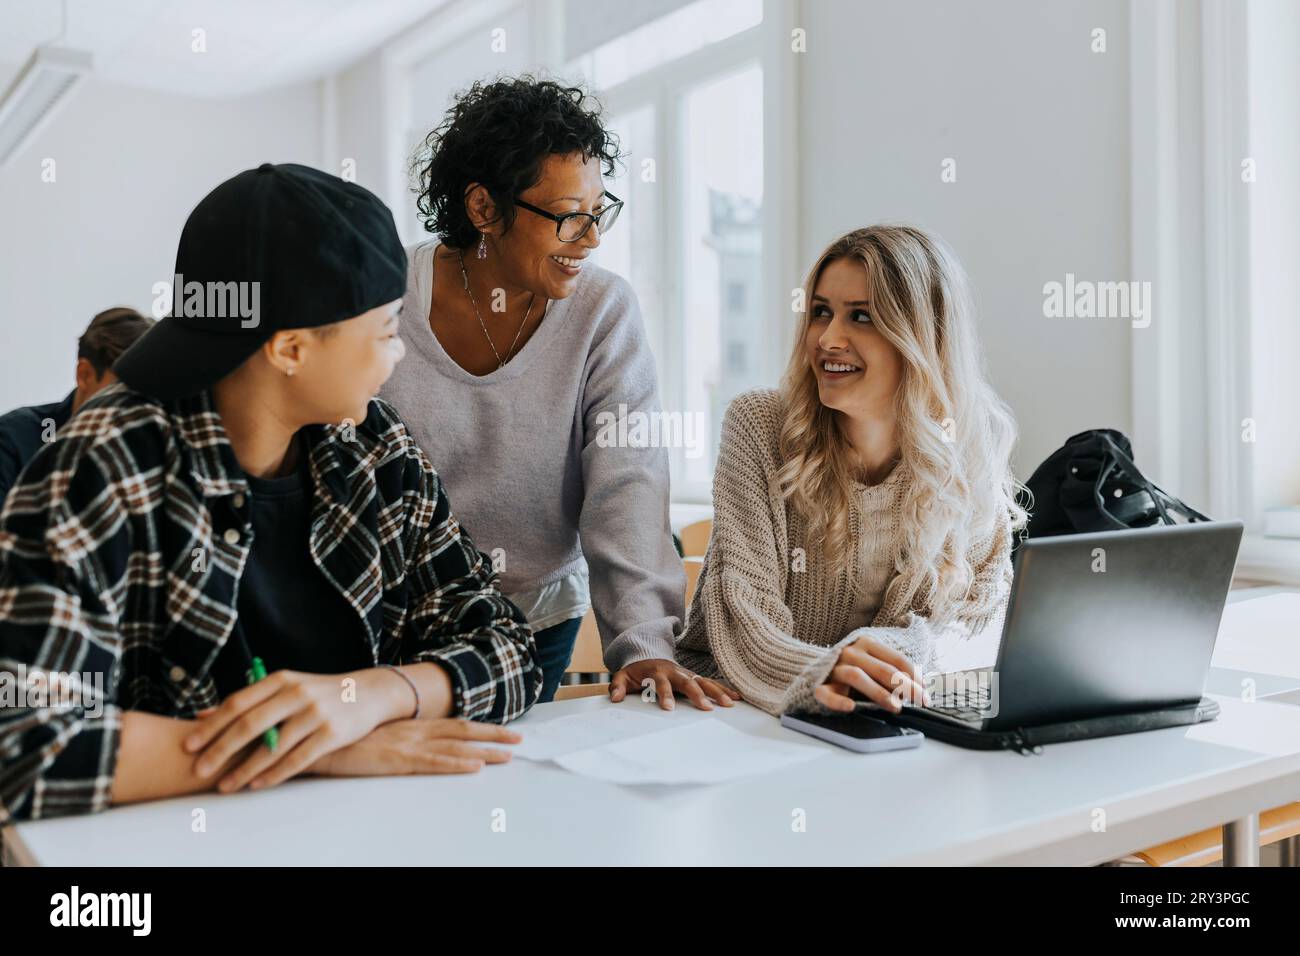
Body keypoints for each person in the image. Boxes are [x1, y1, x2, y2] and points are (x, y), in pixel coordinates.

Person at [0, 163, 541, 822]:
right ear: (289, 349)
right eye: (386, 330)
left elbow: (509, 647)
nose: (396, 355)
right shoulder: (99, 468)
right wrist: (307, 750)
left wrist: (369, 698)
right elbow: (23, 743)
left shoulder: (377, 450)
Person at [383, 76, 736, 709]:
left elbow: (625, 481)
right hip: (396, 618)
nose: (592, 238)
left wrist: (644, 642)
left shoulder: (604, 310)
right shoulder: (389, 298)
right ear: (484, 209)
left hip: (534, 619)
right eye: (569, 217)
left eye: (599, 214)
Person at [676, 225, 1028, 716]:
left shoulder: (971, 440)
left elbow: (982, 623)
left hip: (890, 712)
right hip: (739, 710)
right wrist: (829, 670)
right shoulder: (758, 426)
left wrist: (879, 660)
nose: (828, 339)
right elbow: (746, 622)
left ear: (925, 338)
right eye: (821, 312)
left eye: (861, 317)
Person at [0, 307, 153, 501]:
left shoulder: (155, 454)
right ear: (85, 374)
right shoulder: (14, 439)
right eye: (120, 393)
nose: (132, 409)